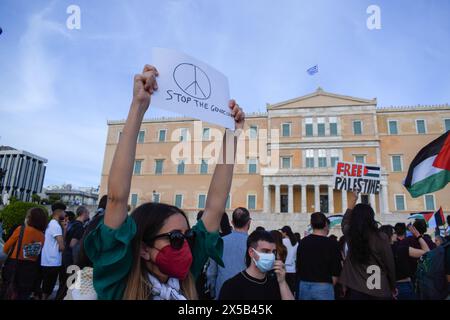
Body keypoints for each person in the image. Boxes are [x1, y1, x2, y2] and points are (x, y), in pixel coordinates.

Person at [82, 65, 245, 300]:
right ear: (144, 249)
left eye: (187, 237)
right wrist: (138, 106)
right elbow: (117, 199)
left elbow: (215, 207)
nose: (187, 247)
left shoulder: (185, 276)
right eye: (177, 239)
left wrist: (232, 135)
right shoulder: (119, 283)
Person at [339, 191, 396, 300]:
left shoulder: (351, 234)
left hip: (357, 288)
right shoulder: (381, 237)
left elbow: (345, 221)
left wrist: (353, 201)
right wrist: (393, 285)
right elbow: (389, 264)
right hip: (379, 288)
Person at [218, 230, 294, 300]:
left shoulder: (276, 282)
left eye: (273, 252)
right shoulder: (232, 286)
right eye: (266, 251)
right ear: (251, 252)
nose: (271, 256)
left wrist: (282, 282)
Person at [1, 208, 48, 299]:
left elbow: (6, 248)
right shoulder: (42, 236)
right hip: (30, 271)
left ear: (30, 218)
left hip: (14, 268)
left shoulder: (21, 229)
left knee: (9, 293)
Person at [207, 207, 251, 299]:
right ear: (249, 222)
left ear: (232, 222)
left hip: (222, 293)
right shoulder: (254, 245)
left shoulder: (218, 243)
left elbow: (211, 273)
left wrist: (212, 293)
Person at [296, 212, 341, 300]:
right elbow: (336, 268)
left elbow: (299, 264)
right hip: (324, 285)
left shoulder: (303, 242)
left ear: (312, 225)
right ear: (325, 225)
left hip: (304, 284)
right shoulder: (332, 243)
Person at [381, 223, 429, 300]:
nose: (396, 234)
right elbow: (427, 252)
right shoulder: (401, 248)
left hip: (386, 287)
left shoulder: (378, 251)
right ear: (388, 235)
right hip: (404, 286)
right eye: (394, 233)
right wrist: (418, 236)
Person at [56, 206, 90, 300]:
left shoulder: (72, 223)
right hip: (71, 259)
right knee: (69, 284)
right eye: (88, 212)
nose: (89, 214)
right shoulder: (79, 227)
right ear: (84, 213)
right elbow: (73, 244)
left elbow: (66, 239)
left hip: (65, 256)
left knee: (63, 283)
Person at [40, 202, 66, 300]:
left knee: (46, 287)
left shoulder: (51, 224)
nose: (64, 214)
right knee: (47, 289)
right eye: (64, 212)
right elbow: (61, 246)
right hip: (52, 262)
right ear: (59, 212)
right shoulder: (55, 226)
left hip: (47, 260)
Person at [280, 225, 298, 295]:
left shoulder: (282, 241)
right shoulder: (296, 242)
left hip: (283, 268)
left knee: (282, 290)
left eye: (282, 232)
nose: (281, 233)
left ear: (285, 233)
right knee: (291, 291)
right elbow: (296, 256)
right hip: (292, 269)